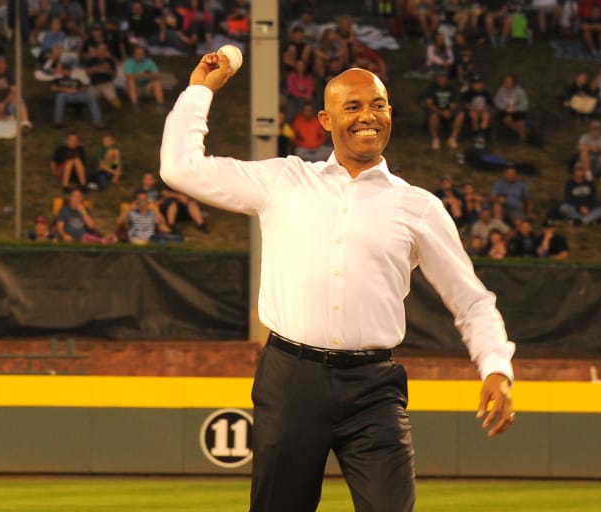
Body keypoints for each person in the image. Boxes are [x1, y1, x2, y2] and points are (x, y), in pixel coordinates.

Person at [160, 57, 515, 511]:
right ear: (326, 120)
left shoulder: (419, 207)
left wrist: (496, 367)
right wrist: (199, 91)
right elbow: (179, 167)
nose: (367, 116)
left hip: (374, 389)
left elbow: (470, 300)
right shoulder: (284, 181)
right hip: (290, 380)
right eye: (352, 107)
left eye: (378, 105)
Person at [0, 57, 33, 131]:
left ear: (5, 65)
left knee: (18, 99)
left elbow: (14, 92)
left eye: (1, 64)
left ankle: (25, 122)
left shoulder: (10, 75)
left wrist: (3, 103)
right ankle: (8, 118)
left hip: (9, 101)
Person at [51, 62, 104, 129]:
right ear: (63, 71)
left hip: (78, 95)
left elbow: (85, 88)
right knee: (60, 96)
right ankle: (58, 122)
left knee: (90, 97)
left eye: (68, 70)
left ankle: (98, 122)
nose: (67, 72)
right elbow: (53, 88)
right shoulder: (58, 79)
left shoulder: (76, 80)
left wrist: (77, 90)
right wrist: (65, 89)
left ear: (70, 71)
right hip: (66, 96)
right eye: (65, 70)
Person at [423, 71, 464, 150]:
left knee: (461, 114)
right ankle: (435, 139)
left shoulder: (452, 89)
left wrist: (450, 112)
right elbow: (429, 104)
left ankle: (453, 138)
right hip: (436, 111)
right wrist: (441, 112)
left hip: (448, 111)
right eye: (441, 77)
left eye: (445, 78)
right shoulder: (431, 88)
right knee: (433, 116)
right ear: (438, 78)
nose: (443, 79)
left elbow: (454, 103)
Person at [124, 46, 165, 113]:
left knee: (157, 82)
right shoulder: (130, 63)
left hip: (146, 84)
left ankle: (161, 104)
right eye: (137, 54)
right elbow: (129, 76)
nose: (140, 56)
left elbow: (158, 75)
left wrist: (143, 75)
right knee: (130, 82)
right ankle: (135, 105)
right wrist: (144, 75)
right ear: (134, 54)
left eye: (141, 54)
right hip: (135, 86)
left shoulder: (149, 62)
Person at [493, 74, 528, 142]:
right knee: (507, 118)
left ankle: (522, 137)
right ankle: (524, 133)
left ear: (513, 82)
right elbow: (496, 101)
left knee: (520, 121)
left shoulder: (520, 91)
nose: (506, 82)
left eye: (508, 81)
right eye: (505, 81)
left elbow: (524, 105)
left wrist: (514, 108)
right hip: (504, 110)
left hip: (516, 110)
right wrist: (505, 107)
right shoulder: (501, 89)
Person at [577, 121, 601, 186]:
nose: (595, 131)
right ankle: (588, 173)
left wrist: (598, 149)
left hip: (598, 160)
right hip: (587, 160)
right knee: (584, 152)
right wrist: (590, 148)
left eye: (597, 129)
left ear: (600, 130)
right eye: (594, 129)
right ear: (590, 130)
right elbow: (580, 146)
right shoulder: (585, 137)